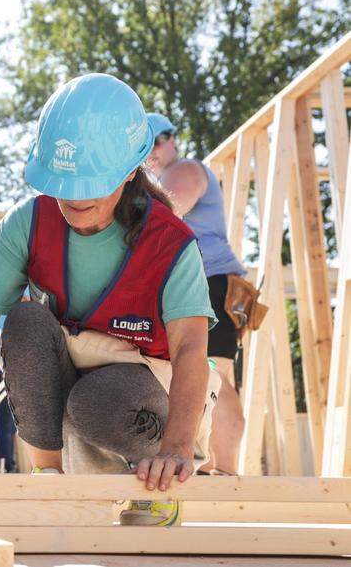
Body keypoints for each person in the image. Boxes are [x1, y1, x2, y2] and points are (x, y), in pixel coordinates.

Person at [0, 73, 220, 527]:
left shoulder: (170, 243)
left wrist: (176, 447)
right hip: (70, 376)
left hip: (145, 388)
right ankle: (49, 477)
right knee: (24, 321)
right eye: (63, 184)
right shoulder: (28, 223)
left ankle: (152, 477)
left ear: (130, 172)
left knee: (98, 400)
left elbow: (191, 348)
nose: (74, 199)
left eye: (90, 184)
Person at [146, 112, 248, 476]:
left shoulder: (186, 170)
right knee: (206, 373)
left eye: (159, 139)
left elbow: (161, 214)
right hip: (198, 284)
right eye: (146, 142)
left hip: (211, 280)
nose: (155, 149)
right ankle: (215, 467)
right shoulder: (160, 175)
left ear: (172, 140)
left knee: (214, 374)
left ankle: (226, 472)